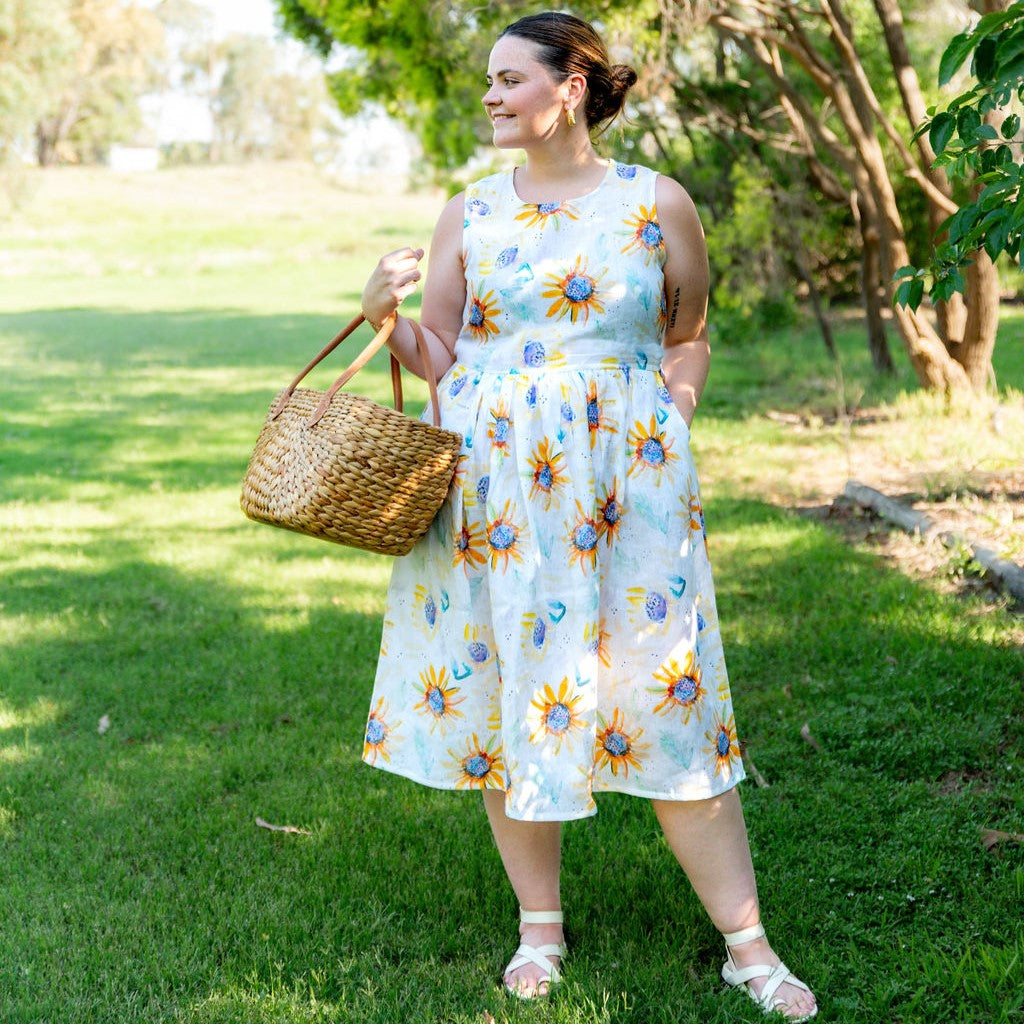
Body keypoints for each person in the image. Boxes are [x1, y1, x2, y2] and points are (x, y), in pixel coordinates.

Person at [357, 11, 817, 1021]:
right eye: (488, 77)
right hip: (492, 494)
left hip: (627, 488)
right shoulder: (466, 212)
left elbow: (687, 331)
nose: (489, 94)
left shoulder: (655, 203)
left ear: (571, 87)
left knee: (667, 689)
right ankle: (540, 927)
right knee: (511, 692)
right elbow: (440, 352)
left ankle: (748, 946)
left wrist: (676, 413)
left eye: (509, 77)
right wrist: (387, 318)